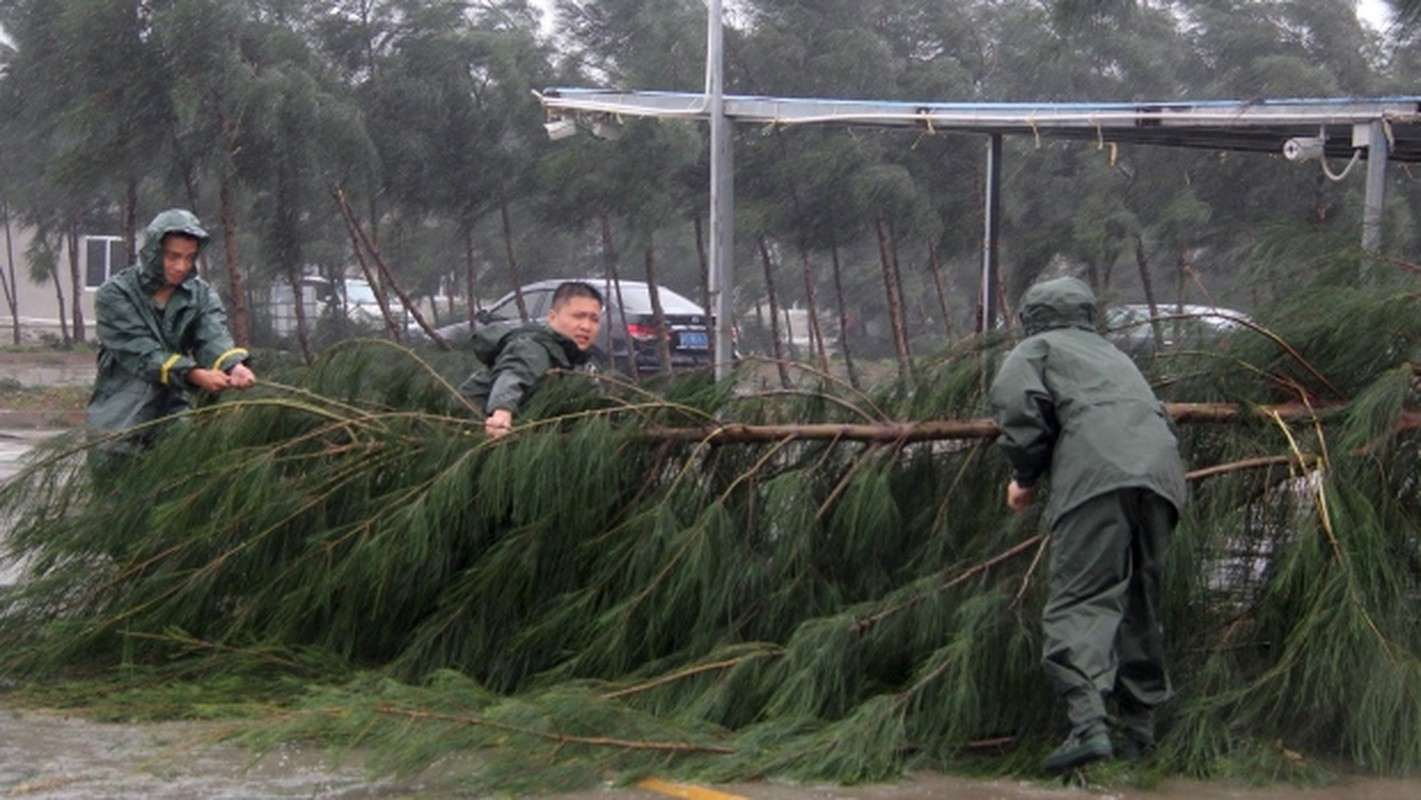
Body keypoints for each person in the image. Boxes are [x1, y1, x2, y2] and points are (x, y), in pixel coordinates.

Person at [987, 276, 1187, 773]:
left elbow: (1017, 407)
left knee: (1082, 597)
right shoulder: (1112, 354)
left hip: (1098, 474)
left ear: (1031, 317)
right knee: (1141, 597)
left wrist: (1024, 478)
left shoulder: (1036, 349)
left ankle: (1088, 726)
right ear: (1087, 313)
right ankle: (1140, 732)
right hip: (1162, 474)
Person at [87, 209, 256, 457]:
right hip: (120, 419)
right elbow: (142, 353)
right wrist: (194, 375)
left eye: (189, 258)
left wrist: (233, 366)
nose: (181, 266)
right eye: (173, 256)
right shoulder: (115, 294)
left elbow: (212, 334)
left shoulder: (200, 295)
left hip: (174, 416)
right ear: (154, 252)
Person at [458, 281, 603, 438]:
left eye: (594, 319)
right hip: (466, 426)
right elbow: (514, 375)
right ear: (552, 318)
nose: (586, 326)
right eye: (578, 316)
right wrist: (502, 412)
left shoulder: (579, 360)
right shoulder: (534, 348)